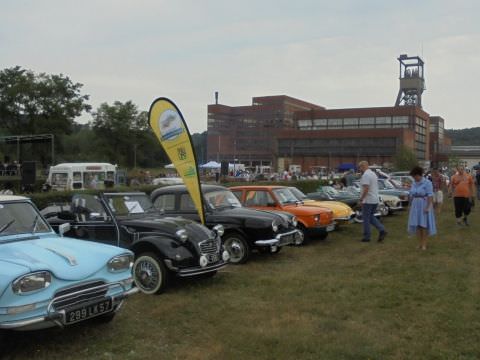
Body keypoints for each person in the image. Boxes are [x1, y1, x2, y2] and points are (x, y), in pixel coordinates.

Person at [407, 166, 436, 250]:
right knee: (417, 225)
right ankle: (419, 243)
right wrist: (409, 205)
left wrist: (427, 207)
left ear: (419, 175)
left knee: (423, 225)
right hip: (415, 205)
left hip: (424, 204)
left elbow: (430, 195)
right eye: (413, 177)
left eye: (414, 176)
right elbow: (411, 195)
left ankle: (424, 244)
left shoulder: (427, 183)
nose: (414, 178)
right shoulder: (414, 183)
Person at [358, 161, 387, 242]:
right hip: (375, 199)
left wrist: (361, 199)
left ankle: (367, 237)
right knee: (370, 217)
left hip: (368, 200)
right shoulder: (373, 174)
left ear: (363, 166)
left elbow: (366, 188)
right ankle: (382, 230)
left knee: (366, 219)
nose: (359, 169)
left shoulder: (366, 175)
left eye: (359, 167)